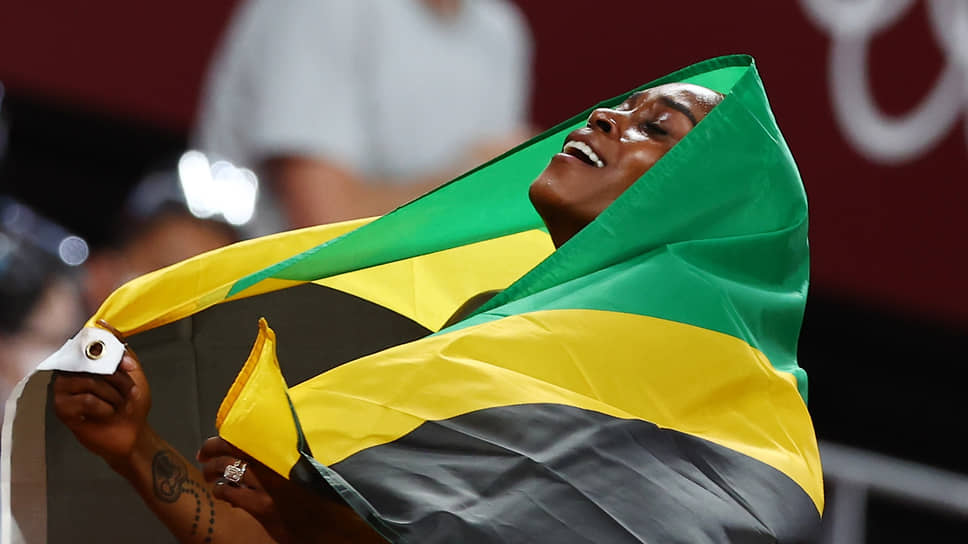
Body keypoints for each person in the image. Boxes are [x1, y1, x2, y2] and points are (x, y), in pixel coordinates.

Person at [52, 82, 732, 543]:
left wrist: (315, 520)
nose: (606, 116)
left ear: (699, 208)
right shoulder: (480, 326)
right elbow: (272, 527)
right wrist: (134, 447)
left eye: (656, 127)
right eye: (622, 106)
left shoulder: (694, 409)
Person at [192, 0, 535, 235]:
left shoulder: (501, 30)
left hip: (411, 301)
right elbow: (322, 226)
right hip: (264, 302)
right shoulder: (320, 7)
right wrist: (477, 182)